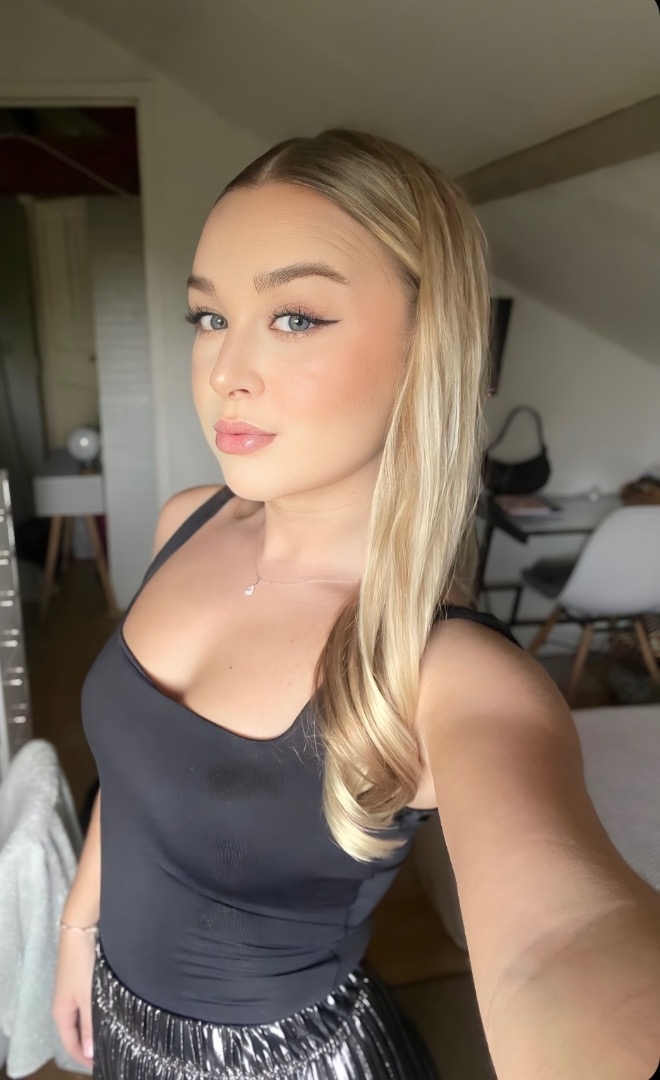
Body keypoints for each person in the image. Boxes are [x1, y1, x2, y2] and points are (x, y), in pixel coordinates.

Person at [52, 129, 660, 1080]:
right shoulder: (185, 522)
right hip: (120, 1035)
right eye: (209, 317)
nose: (224, 371)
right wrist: (77, 926)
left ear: (427, 343)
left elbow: (559, 943)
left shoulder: (447, 673)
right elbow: (134, 780)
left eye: (295, 317)